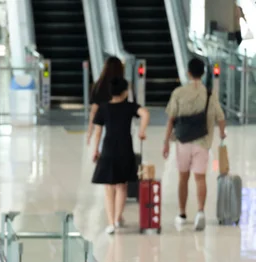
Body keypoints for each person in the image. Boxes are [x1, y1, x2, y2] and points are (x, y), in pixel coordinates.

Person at [163, 58, 226, 231]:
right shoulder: (209, 94)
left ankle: (182, 214)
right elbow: (221, 117)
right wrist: (221, 133)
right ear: (203, 73)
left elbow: (171, 119)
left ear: (188, 73)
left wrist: (166, 143)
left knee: (183, 178)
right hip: (202, 142)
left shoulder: (179, 92)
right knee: (200, 178)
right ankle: (200, 212)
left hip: (182, 142)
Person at [91, 77, 150, 235]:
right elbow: (145, 113)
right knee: (122, 186)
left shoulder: (103, 108)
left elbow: (98, 133)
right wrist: (142, 131)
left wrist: (96, 150)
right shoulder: (129, 107)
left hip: (109, 148)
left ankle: (110, 223)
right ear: (125, 93)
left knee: (109, 187)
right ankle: (117, 218)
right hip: (125, 148)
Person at [86, 56, 125, 145]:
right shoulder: (124, 87)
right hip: (121, 130)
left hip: (101, 129)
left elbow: (93, 112)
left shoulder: (98, 86)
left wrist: (89, 132)